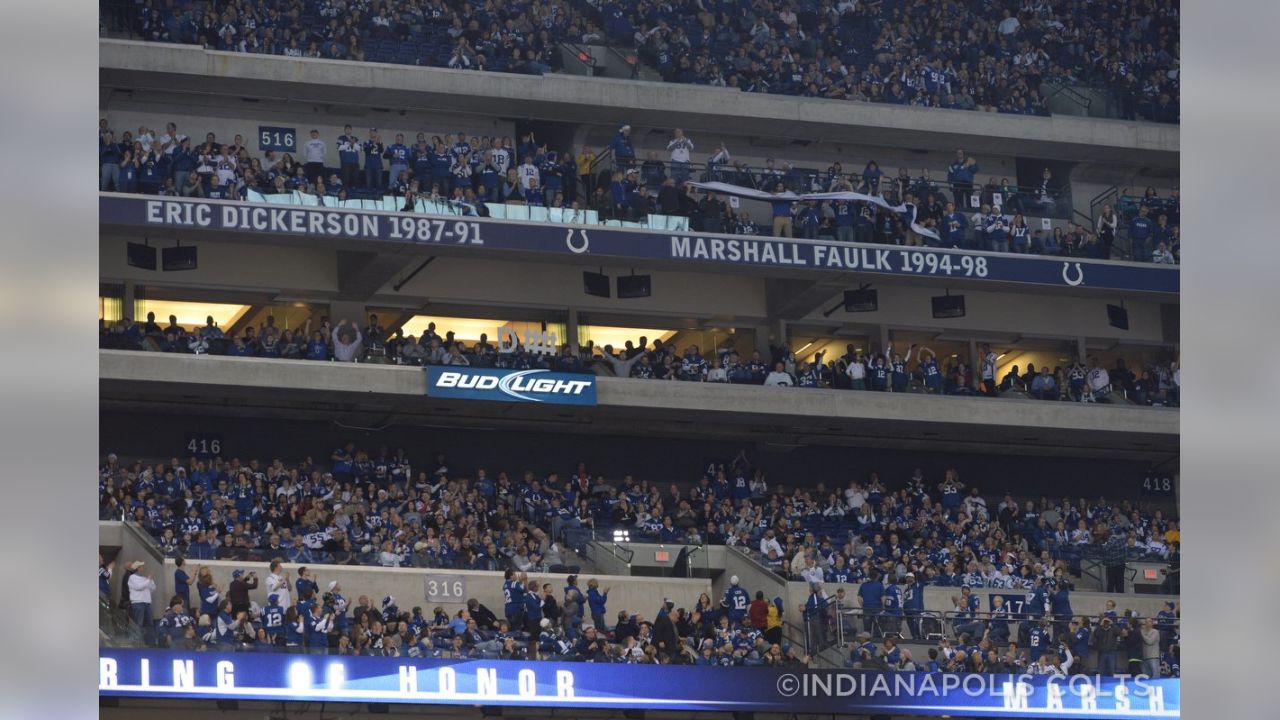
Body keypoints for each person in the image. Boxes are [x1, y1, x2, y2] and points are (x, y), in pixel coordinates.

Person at [127, 561, 157, 646]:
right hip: (138, 603)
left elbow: (153, 588)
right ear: (137, 568)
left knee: (150, 624)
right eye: (141, 566)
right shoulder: (132, 578)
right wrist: (148, 580)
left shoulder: (145, 578)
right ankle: (137, 643)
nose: (143, 568)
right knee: (138, 624)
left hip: (147, 603)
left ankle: (151, 643)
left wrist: (150, 580)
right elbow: (138, 587)